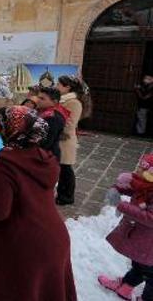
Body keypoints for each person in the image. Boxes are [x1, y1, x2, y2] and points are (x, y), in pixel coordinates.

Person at [0, 106, 77, 301]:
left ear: (10, 131)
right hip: (54, 240)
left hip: (24, 246)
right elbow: (25, 187)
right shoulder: (45, 159)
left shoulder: (2, 164)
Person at [98, 154, 153, 300]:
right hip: (144, 239)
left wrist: (120, 205)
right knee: (140, 265)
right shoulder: (147, 184)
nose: (139, 171)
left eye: (143, 169)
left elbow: (150, 218)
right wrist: (118, 189)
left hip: (150, 243)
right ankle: (125, 287)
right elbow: (138, 189)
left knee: (150, 273)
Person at [56, 75, 91, 206]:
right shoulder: (64, 100)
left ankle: (67, 196)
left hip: (65, 140)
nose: (56, 86)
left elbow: (69, 124)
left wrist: (55, 129)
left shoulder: (74, 102)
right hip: (60, 139)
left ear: (67, 87)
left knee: (66, 169)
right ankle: (61, 194)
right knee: (62, 169)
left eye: (59, 84)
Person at [35, 87, 69, 167]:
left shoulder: (52, 118)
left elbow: (46, 142)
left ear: (54, 102)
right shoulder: (41, 112)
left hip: (46, 157)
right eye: (38, 97)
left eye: (42, 98)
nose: (38, 100)